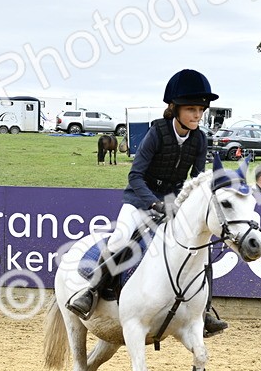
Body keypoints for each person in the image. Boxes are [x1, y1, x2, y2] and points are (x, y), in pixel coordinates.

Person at [66, 69, 228, 337]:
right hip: (140, 198)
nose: (197, 115)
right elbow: (135, 175)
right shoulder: (157, 133)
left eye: (201, 110)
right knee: (119, 240)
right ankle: (91, 292)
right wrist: (154, 204)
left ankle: (203, 311)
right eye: (191, 109)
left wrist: (185, 204)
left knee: (200, 250)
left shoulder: (199, 138)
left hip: (174, 203)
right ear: (174, 108)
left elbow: (197, 179)